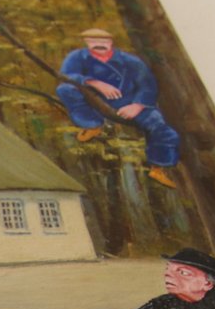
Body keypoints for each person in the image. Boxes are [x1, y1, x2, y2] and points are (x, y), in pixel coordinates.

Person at [57, 27, 181, 190]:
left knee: (161, 127)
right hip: (96, 101)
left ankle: (158, 168)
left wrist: (137, 105)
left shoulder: (130, 61)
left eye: (103, 41)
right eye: (93, 41)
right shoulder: (77, 57)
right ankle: (92, 125)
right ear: (87, 42)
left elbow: (148, 85)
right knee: (65, 89)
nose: (99, 44)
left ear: (111, 42)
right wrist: (93, 82)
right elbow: (65, 76)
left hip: (130, 103)